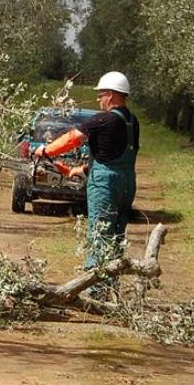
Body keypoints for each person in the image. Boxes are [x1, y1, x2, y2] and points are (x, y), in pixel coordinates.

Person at [33, 71, 139, 273]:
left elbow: (73, 138)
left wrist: (45, 150)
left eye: (101, 94)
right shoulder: (132, 121)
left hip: (105, 185)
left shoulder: (103, 119)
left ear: (112, 94)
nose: (98, 99)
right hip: (127, 182)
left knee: (99, 233)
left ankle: (95, 287)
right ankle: (110, 283)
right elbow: (115, 152)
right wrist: (81, 169)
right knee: (117, 235)